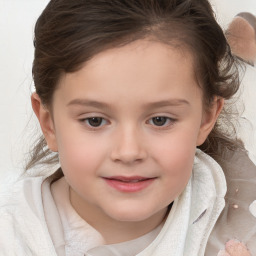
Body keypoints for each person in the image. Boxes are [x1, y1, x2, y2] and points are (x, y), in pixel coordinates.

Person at [0, 0, 255, 255]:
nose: (129, 151)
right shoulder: (12, 237)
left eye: (159, 120)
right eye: (95, 121)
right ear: (49, 124)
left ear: (206, 118)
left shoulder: (239, 221)